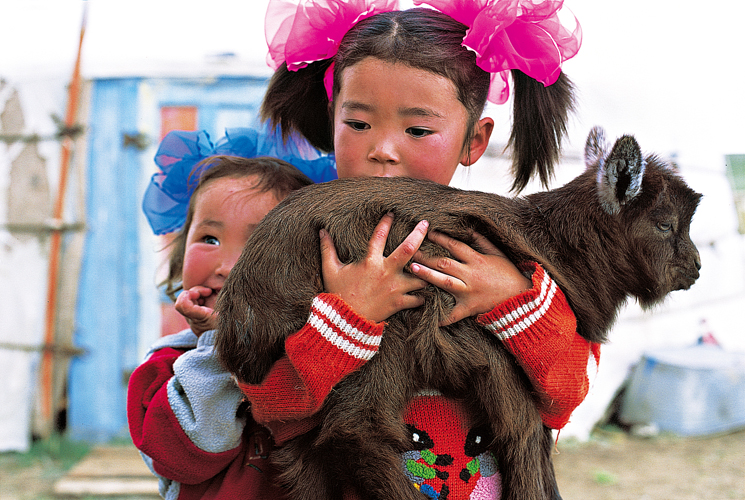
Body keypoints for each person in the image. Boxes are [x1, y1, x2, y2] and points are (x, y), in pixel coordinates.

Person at [216, 1, 601, 499]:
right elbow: (272, 408)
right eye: (358, 124)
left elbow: (565, 396)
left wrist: (515, 299)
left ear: (474, 140)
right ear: (333, 120)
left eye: (417, 130)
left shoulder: (502, 248)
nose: (383, 148)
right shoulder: (303, 249)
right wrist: (346, 320)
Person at [127, 129, 324, 500]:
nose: (228, 266)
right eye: (209, 239)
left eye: (258, 243)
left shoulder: (320, 353)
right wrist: (221, 348)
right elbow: (185, 459)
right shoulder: (165, 368)